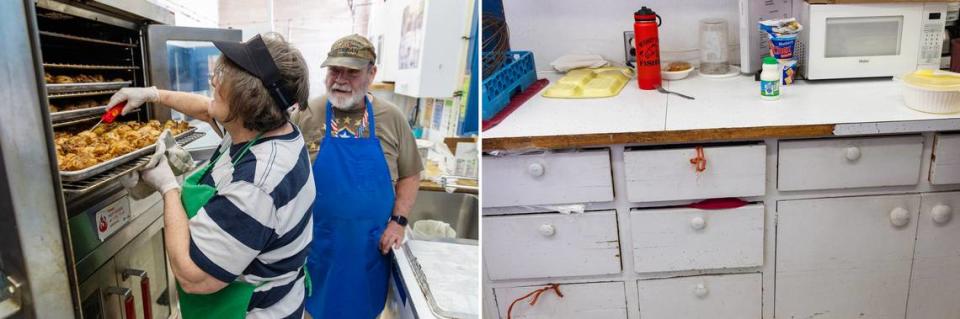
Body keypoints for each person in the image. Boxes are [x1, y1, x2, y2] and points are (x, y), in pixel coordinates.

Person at [110, 33, 314, 319]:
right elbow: (205, 108)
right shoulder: (262, 125)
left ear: (246, 100)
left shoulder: (257, 183)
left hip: (254, 310)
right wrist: (151, 94)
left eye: (222, 76)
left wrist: (168, 187)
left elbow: (194, 278)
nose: (213, 81)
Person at [292, 34, 423, 318]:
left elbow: (411, 174)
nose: (340, 79)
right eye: (334, 70)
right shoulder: (307, 114)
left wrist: (398, 222)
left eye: (352, 72)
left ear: (371, 73)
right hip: (318, 245)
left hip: (369, 248)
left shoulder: (392, 118)